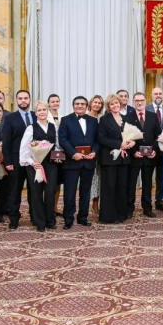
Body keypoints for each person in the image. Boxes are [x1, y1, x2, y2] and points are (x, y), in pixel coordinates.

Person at [58, 96, 99, 229]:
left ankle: (83, 217)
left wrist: (94, 152)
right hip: (72, 162)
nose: (80, 106)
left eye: (82, 104)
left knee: (85, 191)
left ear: (87, 106)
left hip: (88, 162)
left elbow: (97, 140)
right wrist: (73, 154)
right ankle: (68, 219)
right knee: (69, 192)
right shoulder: (65, 120)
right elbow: (62, 139)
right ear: (73, 106)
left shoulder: (93, 121)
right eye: (77, 104)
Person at [19, 101, 59, 232]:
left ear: (47, 111)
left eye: (44, 110)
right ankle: (39, 222)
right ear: (35, 113)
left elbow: (57, 145)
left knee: (50, 192)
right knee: (36, 193)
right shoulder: (31, 128)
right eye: (39, 110)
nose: (42, 112)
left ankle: (50, 220)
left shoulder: (53, 126)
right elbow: (25, 148)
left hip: (51, 164)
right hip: (35, 165)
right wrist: (32, 162)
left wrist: (58, 156)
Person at [2, 90, 36, 230]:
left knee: (34, 190)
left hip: (34, 160)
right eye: (20, 98)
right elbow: (6, 141)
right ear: (16, 100)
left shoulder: (36, 115)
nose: (23, 101)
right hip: (16, 161)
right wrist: (8, 161)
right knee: (15, 191)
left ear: (30, 100)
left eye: (25, 98)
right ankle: (14, 219)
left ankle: (35, 217)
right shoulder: (10, 118)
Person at [97, 94, 133, 224]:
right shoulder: (104, 120)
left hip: (124, 158)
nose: (115, 105)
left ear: (120, 104)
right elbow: (101, 138)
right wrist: (119, 144)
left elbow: (131, 135)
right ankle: (109, 216)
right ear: (108, 106)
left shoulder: (126, 118)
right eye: (112, 104)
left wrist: (131, 142)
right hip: (109, 159)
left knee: (122, 186)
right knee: (109, 187)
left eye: (117, 103)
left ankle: (121, 214)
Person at [126, 92, 161, 218]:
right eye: (136, 100)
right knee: (131, 184)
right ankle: (129, 209)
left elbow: (158, 135)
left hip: (149, 157)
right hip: (134, 157)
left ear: (145, 101)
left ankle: (147, 208)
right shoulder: (128, 117)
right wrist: (133, 151)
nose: (139, 102)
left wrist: (155, 150)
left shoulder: (153, 116)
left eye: (141, 100)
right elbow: (126, 137)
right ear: (133, 102)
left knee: (147, 184)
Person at [146, 87, 163, 212]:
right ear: (152, 95)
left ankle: (159, 201)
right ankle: (147, 202)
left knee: (161, 178)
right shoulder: (146, 109)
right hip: (149, 149)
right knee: (147, 178)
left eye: (160, 93)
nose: (158, 95)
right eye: (156, 93)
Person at [87, 95, 104, 216]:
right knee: (93, 178)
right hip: (89, 152)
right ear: (91, 103)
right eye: (95, 102)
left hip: (102, 152)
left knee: (100, 178)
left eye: (99, 103)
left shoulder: (102, 118)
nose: (97, 104)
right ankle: (93, 203)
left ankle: (97, 203)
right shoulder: (85, 117)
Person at [47, 94, 64, 217]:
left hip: (61, 153)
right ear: (48, 103)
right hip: (47, 153)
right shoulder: (45, 116)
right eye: (52, 101)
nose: (55, 103)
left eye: (57, 101)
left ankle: (55, 206)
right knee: (50, 182)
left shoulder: (63, 118)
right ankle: (47, 207)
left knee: (58, 181)